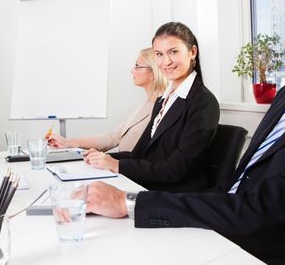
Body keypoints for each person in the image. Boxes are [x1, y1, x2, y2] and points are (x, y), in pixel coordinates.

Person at [86, 0, 285, 263]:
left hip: (259, 248)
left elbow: (262, 209)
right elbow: (237, 186)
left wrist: (131, 202)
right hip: (226, 217)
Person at [84, 22, 220, 193]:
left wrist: (115, 165)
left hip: (175, 194)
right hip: (151, 184)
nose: (166, 61)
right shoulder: (164, 99)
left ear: (192, 52)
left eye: (173, 52)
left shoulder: (203, 103)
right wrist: (102, 158)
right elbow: (140, 154)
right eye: (159, 54)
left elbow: (175, 169)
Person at [48, 48, 167, 152]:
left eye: (137, 66)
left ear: (153, 72)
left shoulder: (164, 107)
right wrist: (68, 143)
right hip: (125, 168)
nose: (132, 70)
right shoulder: (143, 105)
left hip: (135, 172)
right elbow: (113, 137)